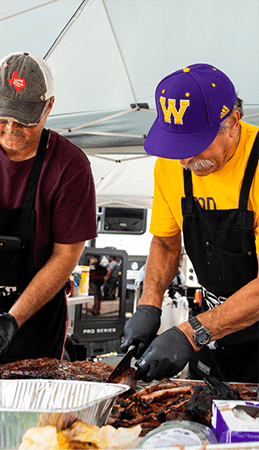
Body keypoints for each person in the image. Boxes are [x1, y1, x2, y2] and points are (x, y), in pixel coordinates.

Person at [0, 52, 97, 364]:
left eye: (25, 118)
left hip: (33, 318)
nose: (11, 128)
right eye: (2, 116)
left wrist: (12, 319)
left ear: (48, 106)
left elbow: (66, 255)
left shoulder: (70, 166)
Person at [122, 64, 259, 382]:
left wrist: (192, 332)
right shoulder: (171, 165)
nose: (183, 160)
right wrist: (149, 303)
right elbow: (166, 242)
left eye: (194, 144)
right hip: (215, 332)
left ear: (233, 122)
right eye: (176, 146)